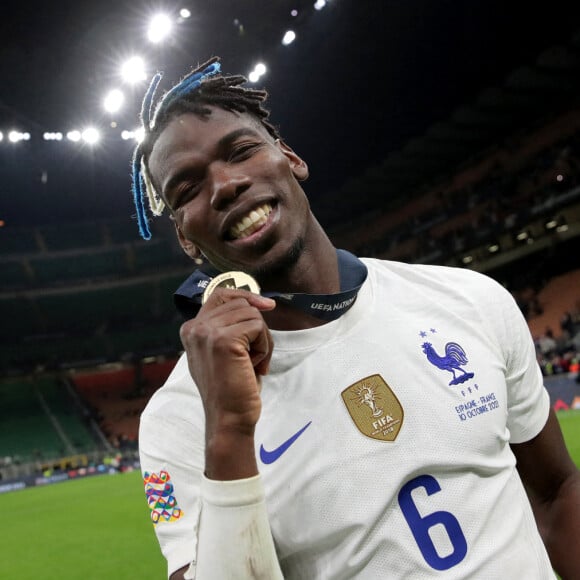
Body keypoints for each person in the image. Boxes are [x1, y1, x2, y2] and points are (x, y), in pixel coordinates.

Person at [134, 57, 580, 579]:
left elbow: (556, 491)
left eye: (241, 150)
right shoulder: (175, 420)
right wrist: (229, 430)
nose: (225, 185)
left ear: (289, 157)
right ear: (187, 239)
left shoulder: (471, 299)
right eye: (187, 189)